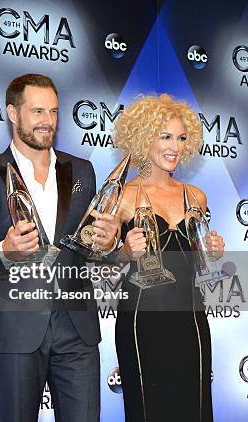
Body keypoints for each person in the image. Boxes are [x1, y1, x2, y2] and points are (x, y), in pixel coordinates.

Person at [0, 74, 117, 421]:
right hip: (15, 327)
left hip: (77, 328)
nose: (47, 121)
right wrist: (4, 252)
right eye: (37, 111)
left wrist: (107, 244)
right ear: (12, 113)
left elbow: (91, 247)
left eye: (53, 111)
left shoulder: (82, 170)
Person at [113, 94, 225, 422]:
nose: (174, 146)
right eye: (165, 136)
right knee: (149, 411)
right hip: (141, 322)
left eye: (181, 138)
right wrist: (124, 251)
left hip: (191, 320)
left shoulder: (196, 196)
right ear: (144, 138)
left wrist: (213, 253)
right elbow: (97, 261)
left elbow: (203, 265)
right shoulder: (122, 196)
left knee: (196, 410)